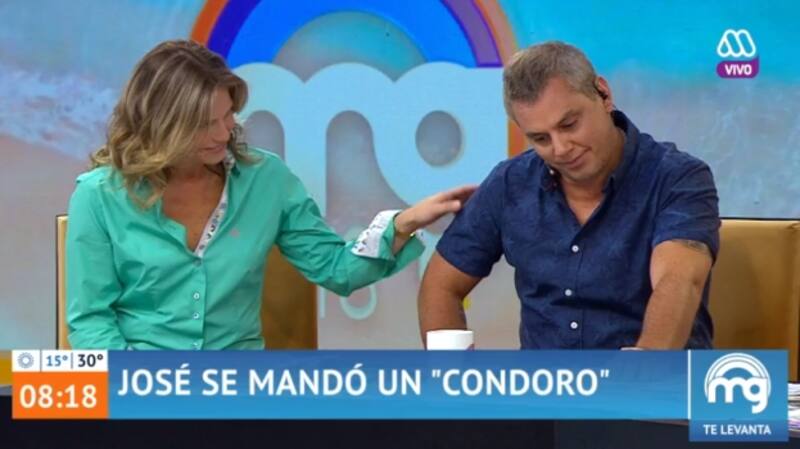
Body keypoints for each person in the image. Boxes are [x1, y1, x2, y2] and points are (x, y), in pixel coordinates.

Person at [66, 39, 475, 350]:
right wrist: (140, 393)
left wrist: (401, 224)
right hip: (140, 389)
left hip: (239, 392)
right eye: (205, 123)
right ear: (163, 125)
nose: (225, 132)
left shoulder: (267, 180)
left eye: (228, 115)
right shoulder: (98, 196)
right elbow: (90, 323)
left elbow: (337, 268)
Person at [418, 41, 720, 350]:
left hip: (652, 376)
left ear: (603, 94)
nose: (560, 149)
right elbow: (441, 284)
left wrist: (645, 365)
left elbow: (678, 282)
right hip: (544, 380)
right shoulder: (510, 183)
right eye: (540, 138)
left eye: (569, 124)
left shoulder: (678, 177)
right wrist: (453, 371)